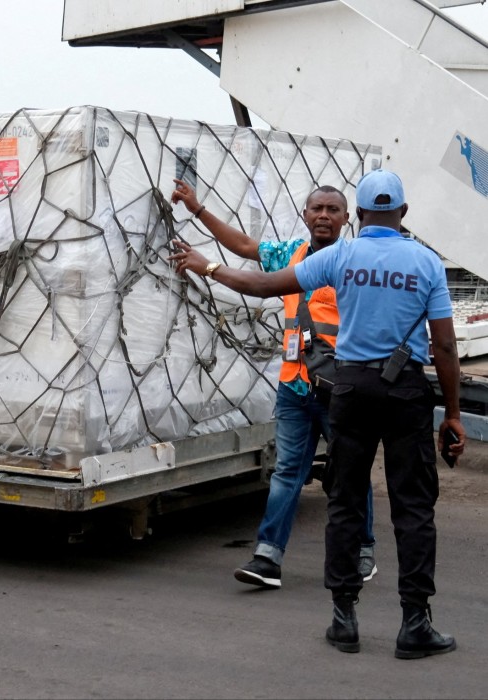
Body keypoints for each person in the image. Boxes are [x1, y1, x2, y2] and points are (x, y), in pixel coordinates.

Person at [169, 169, 465, 659]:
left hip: (348, 387)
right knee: (413, 508)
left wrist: (209, 268)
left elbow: (262, 284)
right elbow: (446, 344)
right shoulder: (426, 262)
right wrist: (452, 414)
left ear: (360, 215)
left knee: (344, 501)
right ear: (404, 215)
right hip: (405, 391)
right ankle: (415, 623)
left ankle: (344, 619)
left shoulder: (338, 256)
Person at [171, 178, 377, 590]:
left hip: (342, 389)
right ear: (305, 214)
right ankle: (268, 557)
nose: (323, 215)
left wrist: (207, 266)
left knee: (350, 472)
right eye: (316, 208)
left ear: (346, 217)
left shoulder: (357, 262)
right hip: (295, 387)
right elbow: (246, 247)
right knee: (286, 473)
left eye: (332, 210)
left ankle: (362, 551)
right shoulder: (290, 253)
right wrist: (197, 210)